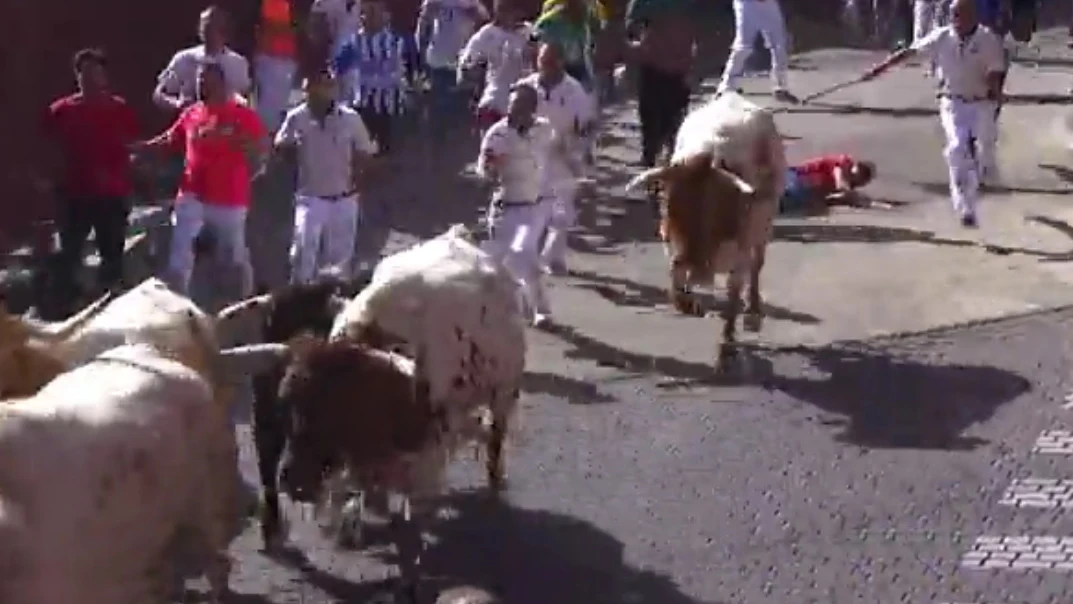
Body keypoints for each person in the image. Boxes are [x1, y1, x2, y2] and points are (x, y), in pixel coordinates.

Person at [860, 0, 1004, 228]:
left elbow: (995, 71)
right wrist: (879, 69)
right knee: (956, 148)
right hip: (952, 101)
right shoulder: (941, 36)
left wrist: (994, 94)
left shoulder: (988, 39)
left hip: (981, 103)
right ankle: (965, 206)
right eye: (953, 15)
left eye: (960, 16)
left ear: (973, 16)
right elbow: (910, 52)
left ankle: (981, 176)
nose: (956, 21)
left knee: (984, 156)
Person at [132, 62, 268, 298]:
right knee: (181, 252)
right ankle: (177, 305)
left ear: (222, 84)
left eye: (206, 80)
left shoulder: (242, 115)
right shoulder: (192, 113)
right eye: (199, 80)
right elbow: (170, 139)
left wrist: (246, 147)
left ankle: (243, 299)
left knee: (232, 256)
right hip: (191, 194)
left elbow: (262, 147)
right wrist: (143, 149)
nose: (201, 84)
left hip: (229, 197)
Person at [42, 48, 139, 304]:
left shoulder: (119, 109)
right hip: (74, 194)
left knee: (112, 256)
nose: (90, 78)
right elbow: (48, 150)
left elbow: (131, 146)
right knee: (68, 254)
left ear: (104, 75)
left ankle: (111, 304)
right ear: (76, 76)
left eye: (95, 72)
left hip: (111, 194)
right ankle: (63, 307)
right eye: (84, 72)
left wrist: (125, 174)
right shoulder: (61, 110)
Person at [275, 70, 376, 284]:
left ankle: (330, 304)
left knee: (338, 263)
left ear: (331, 90)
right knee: (303, 252)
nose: (312, 94)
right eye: (309, 89)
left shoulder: (350, 118)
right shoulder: (297, 117)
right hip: (310, 197)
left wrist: (358, 181)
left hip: (344, 198)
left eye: (320, 88)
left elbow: (365, 151)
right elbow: (281, 145)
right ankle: (300, 298)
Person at [477, 83, 559, 329]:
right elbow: (483, 171)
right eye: (512, 107)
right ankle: (520, 307)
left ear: (532, 109)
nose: (514, 112)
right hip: (506, 207)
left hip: (534, 207)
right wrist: (492, 169)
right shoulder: (497, 135)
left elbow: (556, 154)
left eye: (521, 107)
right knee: (501, 265)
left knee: (523, 254)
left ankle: (539, 311)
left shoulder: (544, 129)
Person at [515, 42, 593, 276]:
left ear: (561, 62)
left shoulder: (574, 90)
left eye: (550, 62)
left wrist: (581, 152)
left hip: (562, 156)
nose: (545, 66)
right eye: (542, 61)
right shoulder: (525, 87)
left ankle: (552, 257)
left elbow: (586, 125)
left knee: (562, 213)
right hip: (530, 155)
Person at [624, 0, 696, 168]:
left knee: (651, 113)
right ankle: (671, 156)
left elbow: (631, 28)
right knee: (673, 115)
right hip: (678, 63)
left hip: (655, 61)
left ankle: (651, 156)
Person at [332, 0, 409, 157]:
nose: (371, 17)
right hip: (362, 105)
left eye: (376, 12)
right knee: (363, 150)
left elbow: (411, 69)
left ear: (386, 16)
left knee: (386, 151)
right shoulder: (354, 43)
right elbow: (337, 70)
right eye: (368, 12)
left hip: (390, 107)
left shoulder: (397, 42)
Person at [153, 6, 252, 112]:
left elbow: (248, 99)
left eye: (213, 27)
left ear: (225, 31)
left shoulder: (237, 64)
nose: (208, 31)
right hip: (189, 123)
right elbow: (159, 94)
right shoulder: (183, 59)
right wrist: (176, 104)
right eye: (204, 26)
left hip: (225, 124)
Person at [458, 0, 535, 134]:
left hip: (523, 98)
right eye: (503, 8)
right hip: (495, 97)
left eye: (511, 9)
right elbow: (467, 63)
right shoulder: (487, 34)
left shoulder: (529, 32)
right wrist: (472, 70)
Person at [417, 0, 489, 133]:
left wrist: (475, 15)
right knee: (436, 109)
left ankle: (457, 143)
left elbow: (486, 22)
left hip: (462, 64)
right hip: (437, 61)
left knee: (460, 109)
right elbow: (422, 28)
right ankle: (436, 145)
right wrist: (421, 57)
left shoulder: (471, 2)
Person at [716, 0, 799, 103]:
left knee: (779, 44)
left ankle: (780, 87)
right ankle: (726, 87)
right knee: (743, 46)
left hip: (768, 4)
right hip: (747, 4)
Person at [253, 0, 300, 133]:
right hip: (271, 59)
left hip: (287, 60)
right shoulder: (272, 3)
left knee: (287, 108)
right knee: (268, 114)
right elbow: (272, 26)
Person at [780, 155, 876, 215]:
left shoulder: (849, 184)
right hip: (797, 177)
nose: (858, 176)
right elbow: (838, 177)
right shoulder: (844, 162)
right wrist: (849, 194)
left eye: (863, 177)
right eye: (861, 172)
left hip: (805, 192)